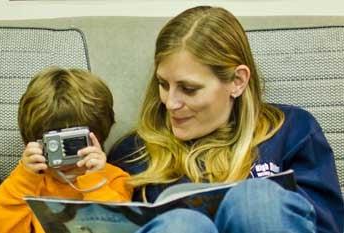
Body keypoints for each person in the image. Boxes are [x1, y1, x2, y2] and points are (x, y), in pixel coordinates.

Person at [108, 5, 344, 233]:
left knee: (255, 202)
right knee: (182, 226)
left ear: (237, 81)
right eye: (163, 84)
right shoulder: (134, 152)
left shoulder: (293, 131)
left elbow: (328, 225)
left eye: (189, 88)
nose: (170, 103)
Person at [0, 67, 133, 233]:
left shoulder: (113, 180)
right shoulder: (25, 184)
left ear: (97, 138)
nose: (64, 157)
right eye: (53, 144)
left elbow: (119, 231)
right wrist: (24, 180)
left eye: (74, 144)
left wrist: (96, 183)